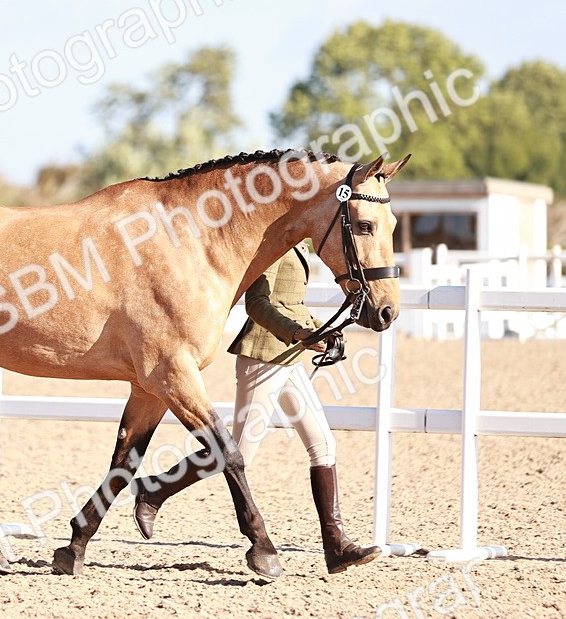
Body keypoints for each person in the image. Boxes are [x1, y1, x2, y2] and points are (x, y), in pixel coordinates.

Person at [131, 242, 382, 574]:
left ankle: (336, 546)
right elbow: (257, 304)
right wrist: (298, 332)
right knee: (239, 453)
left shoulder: (300, 243)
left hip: (289, 358)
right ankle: (154, 490)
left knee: (323, 444)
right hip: (263, 358)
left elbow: (290, 303)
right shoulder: (274, 246)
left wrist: (323, 330)